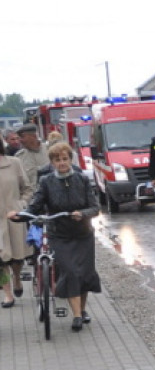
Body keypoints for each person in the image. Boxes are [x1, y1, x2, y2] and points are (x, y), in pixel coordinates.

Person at [8, 143, 100, 330]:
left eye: (65, 159)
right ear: (52, 162)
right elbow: (35, 206)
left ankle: (82, 311)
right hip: (60, 235)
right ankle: (75, 316)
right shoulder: (46, 181)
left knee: (84, 274)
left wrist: (82, 213)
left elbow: (95, 207)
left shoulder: (81, 180)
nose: (62, 163)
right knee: (71, 272)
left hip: (83, 234)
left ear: (70, 160)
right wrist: (19, 215)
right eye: (57, 160)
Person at [0, 140, 33, 307]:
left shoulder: (14, 163)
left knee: (17, 257)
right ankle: (8, 294)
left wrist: (21, 205)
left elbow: (27, 188)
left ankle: (17, 278)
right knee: (1, 259)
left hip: (14, 216)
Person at [15, 124, 49, 191]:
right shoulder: (19, 157)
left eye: (22, 137)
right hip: (31, 198)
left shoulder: (50, 150)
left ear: (34, 136)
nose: (20, 140)